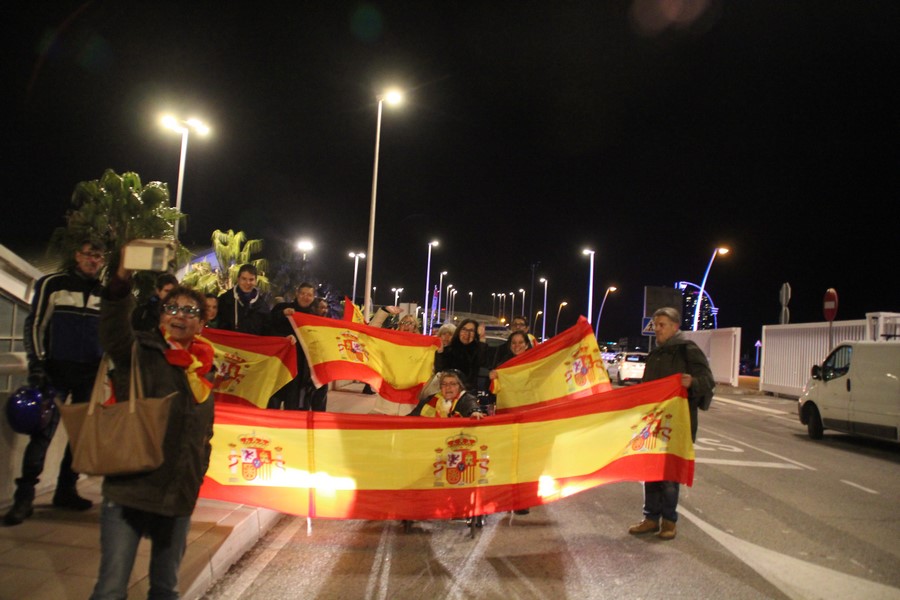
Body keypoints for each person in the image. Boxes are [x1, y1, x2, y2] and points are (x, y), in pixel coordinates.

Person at [90, 257, 215, 599]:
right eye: (172, 308)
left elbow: (203, 437)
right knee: (111, 589)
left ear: (201, 324)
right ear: (161, 316)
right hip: (130, 491)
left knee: (165, 589)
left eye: (189, 311)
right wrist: (120, 280)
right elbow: (113, 329)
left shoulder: (203, 372)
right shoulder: (140, 352)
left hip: (177, 497)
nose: (179, 315)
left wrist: (196, 476)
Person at [4, 240, 106, 526]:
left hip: (89, 375)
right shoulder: (53, 284)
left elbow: (109, 334)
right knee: (42, 435)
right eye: (88, 254)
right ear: (77, 256)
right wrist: (37, 364)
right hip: (54, 373)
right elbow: (35, 325)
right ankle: (24, 497)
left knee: (78, 437)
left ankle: (65, 490)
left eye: (98, 256)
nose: (93, 260)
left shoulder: (104, 293)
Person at [628, 307, 714, 541]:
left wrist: (692, 382)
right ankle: (650, 518)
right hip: (653, 424)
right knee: (651, 471)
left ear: (675, 327)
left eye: (662, 325)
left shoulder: (687, 350)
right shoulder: (656, 354)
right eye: (655, 325)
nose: (657, 329)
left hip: (677, 425)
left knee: (669, 475)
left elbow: (708, 381)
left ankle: (669, 521)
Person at [409, 370, 485, 527]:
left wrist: (475, 412)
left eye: (452, 384)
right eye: (444, 384)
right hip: (431, 446)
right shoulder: (432, 400)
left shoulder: (465, 398)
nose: (448, 387)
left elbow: (472, 407)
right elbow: (413, 416)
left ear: (459, 386)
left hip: (456, 449)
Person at [269, 282, 317, 410]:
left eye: (309, 295)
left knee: (293, 407)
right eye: (303, 293)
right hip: (280, 364)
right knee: (273, 403)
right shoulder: (282, 308)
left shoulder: (314, 317)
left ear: (313, 298)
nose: (305, 297)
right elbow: (267, 325)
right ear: (297, 294)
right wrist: (282, 315)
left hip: (299, 371)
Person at [434, 318, 492, 394]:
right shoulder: (447, 350)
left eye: (471, 331)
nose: (466, 333)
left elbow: (482, 362)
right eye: (464, 329)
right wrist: (440, 353)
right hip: (447, 393)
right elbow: (439, 371)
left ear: (475, 334)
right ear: (459, 331)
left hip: (468, 394)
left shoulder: (478, 350)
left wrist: (482, 340)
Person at [216, 264, 271, 335]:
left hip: (252, 341)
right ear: (238, 279)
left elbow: (268, 330)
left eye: (251, 279)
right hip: (228, 341)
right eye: (244, 279)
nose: (247, 283)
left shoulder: (262, 305)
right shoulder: (225, 300)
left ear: (255, 281)